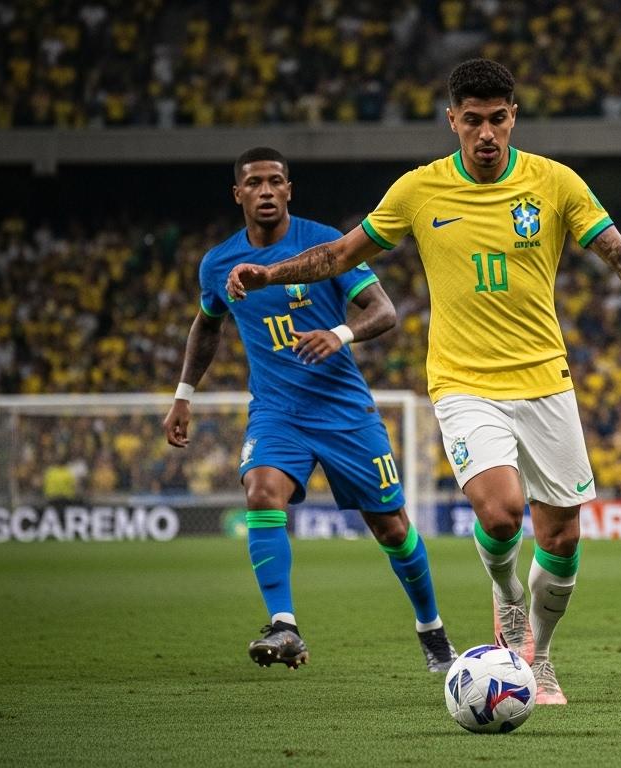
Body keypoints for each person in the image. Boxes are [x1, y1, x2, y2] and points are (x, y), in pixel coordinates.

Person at [225, 60, 621, 704]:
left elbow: (619, 254)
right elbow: (339, 255)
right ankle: (508, 608)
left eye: (497, 119)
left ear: (513, 117)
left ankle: (541, 655)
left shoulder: (554, 183)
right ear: (452, 119)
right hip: (463, 382)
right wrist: (270, 272)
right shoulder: (419, 191)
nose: (485, 132)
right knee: (503, 514)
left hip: (546, 380)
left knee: (561, 536)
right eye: (472, 120)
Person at [164, 147, 456, 672]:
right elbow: (207, 324)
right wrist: (184, 394)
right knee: (260, 489)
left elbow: (383, 311)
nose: (267, 190)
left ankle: (432, 630)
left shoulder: (325, 244)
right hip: (278, 413)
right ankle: (285, 625)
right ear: (239, 194)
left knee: (391, 527)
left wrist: (339, 334)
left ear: (289, 189)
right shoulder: (218, 264)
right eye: (255, 183)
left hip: (344, 411)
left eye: (276, 181)